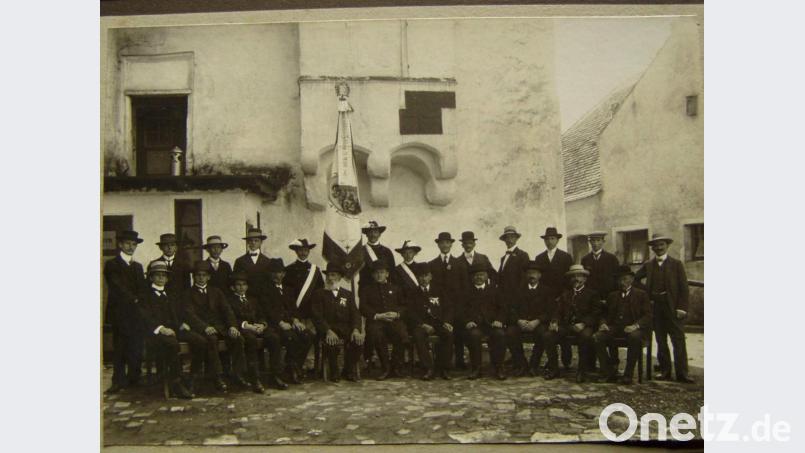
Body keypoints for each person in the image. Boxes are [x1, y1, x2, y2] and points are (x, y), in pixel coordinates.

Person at [634, 234, 693, 383]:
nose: (659, 248)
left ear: (667, 246)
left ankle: (682, 373)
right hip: (656, 307)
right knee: (660, 340)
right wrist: (647, 292)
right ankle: (665, 371)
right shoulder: (648, 265)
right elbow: (635, 279)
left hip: (673, 307)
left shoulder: (676, 264)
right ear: (652, 248)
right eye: (656, 245)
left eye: (661, 245)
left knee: (678, 340)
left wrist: (682, 308)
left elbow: (684, 288)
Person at [183, 261, 247, 393]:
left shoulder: (216, 292)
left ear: (209, 277)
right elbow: (189, 315)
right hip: (201, 328)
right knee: (212, 340)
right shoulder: (187, 293)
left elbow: (227, 310)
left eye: (204, 275)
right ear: (194, 277)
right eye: (198, 275)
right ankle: (217, 377)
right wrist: (204, 327)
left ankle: (238, 374)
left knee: (238, 338)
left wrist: (232, 326)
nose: (201, 278)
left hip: (219, 327)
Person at [138, 260, 199, 399]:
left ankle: (191, 377)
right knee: (172, 344)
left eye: (164, 275)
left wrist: (181, 324)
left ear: (167, 278)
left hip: (173, 329)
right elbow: (145, 317)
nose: (161, 278)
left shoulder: (170, 294)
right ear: (151, 277)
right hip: (154, 332)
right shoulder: (144, 295)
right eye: (157, 275)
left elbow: (175, 314)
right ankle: (176, 382)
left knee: (198, 340)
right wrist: (160, 328)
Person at [104, 230, 147, 394]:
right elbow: (117, 286)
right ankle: (118, 380)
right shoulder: (112, 265)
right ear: (120, 244)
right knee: (120, 347)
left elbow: (142, 288)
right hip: (119, 312)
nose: (131, 247)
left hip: (135, 313)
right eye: (128, 243)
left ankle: (134, 378)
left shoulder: (137, 267)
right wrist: (134, 299)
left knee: (136, 345)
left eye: (134, 244)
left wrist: (140, 301)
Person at [593, 265, 652, 384]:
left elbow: (648, 315)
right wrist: (603, 323)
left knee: (634, 337)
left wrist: (635, 326)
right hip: (615, 327)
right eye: (619, 279)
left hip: (634, 328)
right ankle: (608, 371)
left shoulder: (641, 294)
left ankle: (628, 374)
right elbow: (604, 314)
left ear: (632, 279)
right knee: (597, 337)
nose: (622, 282)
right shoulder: (612, 295)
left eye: (625, 279)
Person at [261, 258, 313, 388]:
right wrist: (280, 322)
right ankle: (278, 374)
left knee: (308, 335)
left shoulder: (289, 290)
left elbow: (293, 309)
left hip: (289, 323)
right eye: (273, 272)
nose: (276, 275)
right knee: (290, 337)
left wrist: (296, 320)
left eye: (279, 272)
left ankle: (293, 367)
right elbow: (267, 310)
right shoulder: (264, 289)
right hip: (273, 325)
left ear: (283, 274)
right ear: (269, 274)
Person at [310, 263, 365, 382]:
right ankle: (334, 372)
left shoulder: (347, 294)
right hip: (327, 328)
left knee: (358, 342)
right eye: (328, 275)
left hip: (345, 329)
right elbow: (317, 316)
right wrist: (327, 331)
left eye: (333, 275)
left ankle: (348, 370)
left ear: (340, 277)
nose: (330, 278)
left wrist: (356, 330)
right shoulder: (319, 294)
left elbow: (355, 314)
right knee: (331, 343)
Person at [504, 261, 557, 377]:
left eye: (535, 273)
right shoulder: (517, 290)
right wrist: (518, 320)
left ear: (540, 275)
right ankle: (521, 364)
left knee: (543, 333)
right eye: (529, 273)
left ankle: (534, 365)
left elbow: (550, 311)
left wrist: (537, 321)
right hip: (520, 322)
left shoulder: (547, 291)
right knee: (510, 332)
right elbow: (511, 309)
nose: (532, 275)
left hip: (539, 322)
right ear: (525, 275)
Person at [550, 264, 601, 383]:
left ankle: (582, 371)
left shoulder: (592, 294)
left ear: (585, 279)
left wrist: (583, 323)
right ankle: (553, 369)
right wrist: (555, 321)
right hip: (568, 325)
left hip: (585, 326)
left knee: (585, 336)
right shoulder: (565, 294)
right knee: (549, 335)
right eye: (573, 276)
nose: (576, 279)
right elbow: (558, 311)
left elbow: (596, 313)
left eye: (579, 276)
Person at [453, 230, 496, 370]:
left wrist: (490, 289)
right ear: (462, 245)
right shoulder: (457, 261)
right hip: (466, 301)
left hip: (484, 298)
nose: (468, 245)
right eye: (465, 243)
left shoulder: (483, 258)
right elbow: (455, 282)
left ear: (474, 243)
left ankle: (496, 365)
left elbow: (493, 274)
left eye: (470, 242)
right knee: (464, 332)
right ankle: (462, 362)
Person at [359, 260, 409, 380]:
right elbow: (362, 307)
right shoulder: (366, 290)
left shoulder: (395, 288)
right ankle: (386, 368)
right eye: (376, 273)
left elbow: (404, 306)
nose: (379, 275)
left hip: (394, 321)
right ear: (373, 275)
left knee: (402, 334)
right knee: (377, 335)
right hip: (376, 322)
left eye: (382, 272)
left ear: (387, 274)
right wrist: (377, 315)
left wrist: (397, 314)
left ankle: (396, 367)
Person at [408, 263, 454, 380]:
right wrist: (422, 324)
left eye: (426, 276)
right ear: (417, 278)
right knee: (418, 336)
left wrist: (447, 322)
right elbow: (411, 312)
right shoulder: (412, 292)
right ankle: (428, 368)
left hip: (439, 323)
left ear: (430, 277)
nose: (423, 279)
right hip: (422, 324)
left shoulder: (439, 290)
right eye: (420, 276)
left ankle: (444, 368)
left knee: (448, 334)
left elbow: (449, 308)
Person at [225, 271, 269, 394]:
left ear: (247, 286)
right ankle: (255, 379)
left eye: (244, 284)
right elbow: (230, 318)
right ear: (232, 287)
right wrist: (247, 326)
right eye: (238, 285)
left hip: (256, 328)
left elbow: (261, 315)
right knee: (250, 339)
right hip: (241, 329)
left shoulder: (253, 300)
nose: (241, 287)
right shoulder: (229, 300)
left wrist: (262, 324)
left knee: (273, 337)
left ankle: (276, 374)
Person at [463, 263, 507, 380]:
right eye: (476, 275)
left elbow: (503, 308)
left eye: (481, 274)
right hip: (475, 325)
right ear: (472, 277)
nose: (479, 277)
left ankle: (499, 367)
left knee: (500, 334)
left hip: (492, 324)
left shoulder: (494, 290)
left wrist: (499, 320)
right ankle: (476, 368)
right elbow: (461, 310)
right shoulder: (466, 292)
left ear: (487, 276)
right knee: (474, 335)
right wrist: (467, 321)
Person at [233, 228, 272, 300]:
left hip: (264, 298)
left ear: (261, 242)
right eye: (251, 240)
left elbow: (270, 283)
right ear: (247, 242)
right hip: (246, 298)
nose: (253, 243)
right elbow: (236, 282)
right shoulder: (240, 261)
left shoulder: (268, 261)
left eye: (256, 240)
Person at [580, 231, 620, 298]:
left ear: (603, 241)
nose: (595, 243)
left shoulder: (611, 258)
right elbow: (584, 279)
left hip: (608, 295)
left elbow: (616, 278)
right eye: (593, 241)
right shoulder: (585, 259)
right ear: (590, 242)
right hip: (591, 296)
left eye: (598, 240)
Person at [496, 226, 531, 302]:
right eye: (507, 237)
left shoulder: (522, 255)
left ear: (516, 239)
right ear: (504, 240)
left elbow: (524, 278)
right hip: (503, 297)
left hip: (516, 297)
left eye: (512, 237)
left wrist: (519, 296)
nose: (509, 240)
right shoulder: (503, 258)